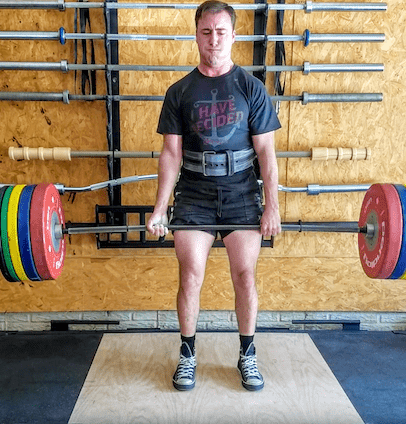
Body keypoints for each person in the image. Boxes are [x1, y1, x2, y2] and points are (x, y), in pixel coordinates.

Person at [146, 0, 282, 392]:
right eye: (206, 32)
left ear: (233, 35)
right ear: (196, 35)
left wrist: (272, 207)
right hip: (194, 194)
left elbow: (266, 154)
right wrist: (160, 209)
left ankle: (247, 354)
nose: (214, 40)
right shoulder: (179, 91)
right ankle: (188, 356)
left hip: (241, 193)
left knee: (245, 274)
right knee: (190, 273)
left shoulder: (251, 88)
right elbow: (170, 155)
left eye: (221, 32)